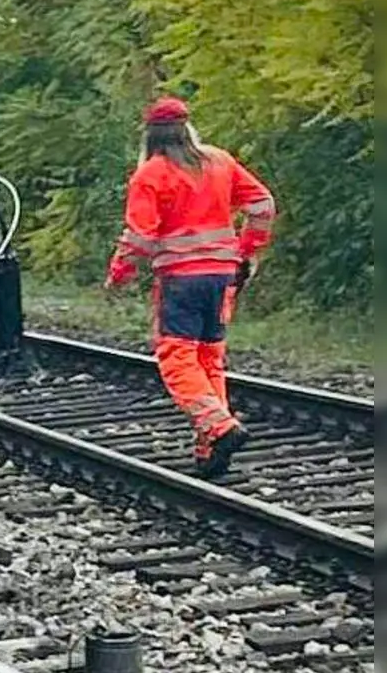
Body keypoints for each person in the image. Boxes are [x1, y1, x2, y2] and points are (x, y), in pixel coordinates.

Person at [106, 96, 276, 478]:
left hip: (181, 281)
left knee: (177, 359)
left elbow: (140, 239)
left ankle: (221, 427)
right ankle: (209, 446)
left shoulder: (151, 174)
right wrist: (247, 252)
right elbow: (262, 206)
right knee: (208, 357)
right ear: (188, 129)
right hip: (222, 277)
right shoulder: (219, 161)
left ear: (150, 136)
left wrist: (119, 274)